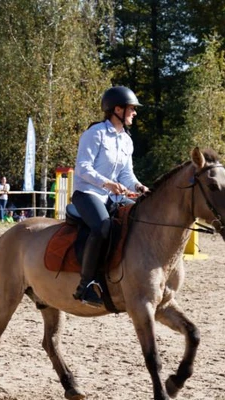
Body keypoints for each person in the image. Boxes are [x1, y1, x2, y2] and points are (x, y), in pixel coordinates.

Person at [72, 86, 149, 308]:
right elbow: (82, 168)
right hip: (87, 193)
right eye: (132, 109)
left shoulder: (127, 140)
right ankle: (85, 285)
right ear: (117, 109)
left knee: (139, 217)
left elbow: (126, 173)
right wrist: (107, 183)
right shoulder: (94, 133)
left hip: (112, 196)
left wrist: (138, 186)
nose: (134, 113)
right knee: (102, 227)